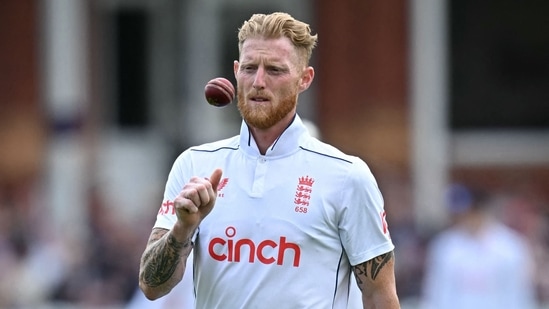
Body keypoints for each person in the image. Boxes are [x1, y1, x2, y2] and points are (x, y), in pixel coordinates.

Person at [138, 12, 400, 308]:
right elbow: (150, 287)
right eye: (249, 68)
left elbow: (380, 297)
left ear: (305, 79)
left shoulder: (347, 176)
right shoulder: (194, 164)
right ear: (236, 71)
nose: (258, 81)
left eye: (275, 70)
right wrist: (183, 229)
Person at [421, 184, 537, 309]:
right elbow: (436, 293)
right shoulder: (445, 246)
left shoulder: (510, 247)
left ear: (482, 210)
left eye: (470, 212)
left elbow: (518, 294)